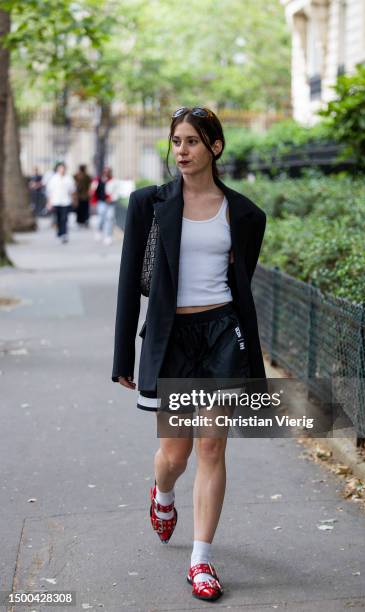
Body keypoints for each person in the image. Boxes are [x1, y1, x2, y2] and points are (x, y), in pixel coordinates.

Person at [112, 107, 266, 602]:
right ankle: (163, 493)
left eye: (192, 141)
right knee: (174, 456)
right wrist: (122, 357)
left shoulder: (244, 214)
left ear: (214, 147)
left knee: (212, 447)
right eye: (176, 141)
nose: (181, 150)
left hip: (221, 332)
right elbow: (127, 285)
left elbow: (241, 281)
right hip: (172, 338)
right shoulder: (148, 205)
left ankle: (201, 560)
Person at [46, 162, 76, 243]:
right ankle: (60, 231)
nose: (62, 170)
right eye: (60, 168)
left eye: (63, 168)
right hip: (56, 201)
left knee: (64, 218)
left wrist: (73, 200)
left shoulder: (69, 178)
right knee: (58, 218)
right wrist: (49, 202)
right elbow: (49, 191)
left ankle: (64, 234)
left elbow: (72, 190)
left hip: (66, 201)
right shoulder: (53, 179)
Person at [92, 166, 111, 243]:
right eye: (105, 171)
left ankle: (108, 235)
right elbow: (93, 191)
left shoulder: (111, 180)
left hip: (110, 203)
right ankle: (99, 231)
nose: (106, 173)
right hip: (101, 202)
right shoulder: (97, 180)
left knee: (109, 218)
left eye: (108, 171)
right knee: (101, 218)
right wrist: (93, 201)